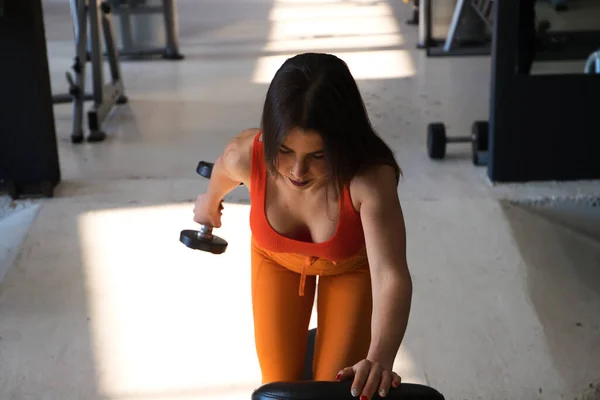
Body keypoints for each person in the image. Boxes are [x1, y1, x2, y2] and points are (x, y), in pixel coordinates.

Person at [193, 52, 413, 400]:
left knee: (334, 390)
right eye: (284, 150)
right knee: (277, 388)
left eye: (319, 156)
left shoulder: (368, 180)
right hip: (274, 261)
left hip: (349, 269)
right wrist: (208, 206)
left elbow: (391, 275)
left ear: (343, 145)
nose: (297, 171)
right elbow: (219, 177)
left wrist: (380, 356)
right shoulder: (244, 155)